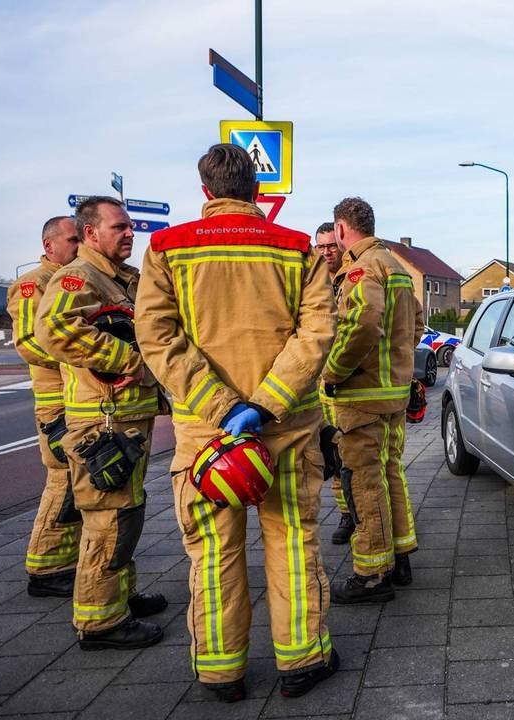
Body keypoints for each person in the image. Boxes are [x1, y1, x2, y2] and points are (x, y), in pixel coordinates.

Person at [135, 144, 338, 701]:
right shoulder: (297, 249)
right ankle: (301, 659)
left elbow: (157, 337)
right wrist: (266, 401)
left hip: (207, 438)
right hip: (288, 428)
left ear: (206, 192)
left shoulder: (167, 249)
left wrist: (220, 407)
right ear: (257, 189)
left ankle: (222, 672)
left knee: (214, 551)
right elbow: (318, 333)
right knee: (293, 541)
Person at [35, 196, 167, 649]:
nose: (129, 233)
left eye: (130, 227)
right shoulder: (80, 276)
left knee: (126, 511)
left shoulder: (120, 278)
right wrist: (131, 359)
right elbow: (54, 328)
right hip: (103, 421)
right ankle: (101, 623)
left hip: (127, 416)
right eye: (119, 227)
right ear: (90, 233)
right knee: (108, 518)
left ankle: (119, 597)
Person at [323, 197, 421, 603]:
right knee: (390, 472)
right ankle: (400, 557)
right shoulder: (396, 265)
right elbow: (415, 323)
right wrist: (397, 363)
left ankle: (372, 573)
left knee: (363, 482)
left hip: (360, 396)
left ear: (342, 230)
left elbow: (362, 323)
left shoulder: (361, 269)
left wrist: (332, 371)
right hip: (393, 393)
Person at [10, 216, 80, 597]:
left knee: (81, 485)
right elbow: (28, 343)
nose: (77, 247)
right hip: (58, 405)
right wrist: (83, 356)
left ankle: (65, 561)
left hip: (80, 400)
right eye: (71, 240)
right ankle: (46, 566)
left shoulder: (78, 277)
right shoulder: (32, 284)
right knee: (63, 482)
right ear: (49, 244)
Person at [314, 222, 354, 545]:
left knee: (353, 457)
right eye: (321, 247)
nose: (327, 252)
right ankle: (345, 515)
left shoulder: (352, 279)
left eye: (331, 245)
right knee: (332, 457)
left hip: (347, 384)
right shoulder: (312, 282)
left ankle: (358, 514)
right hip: (319, 387)